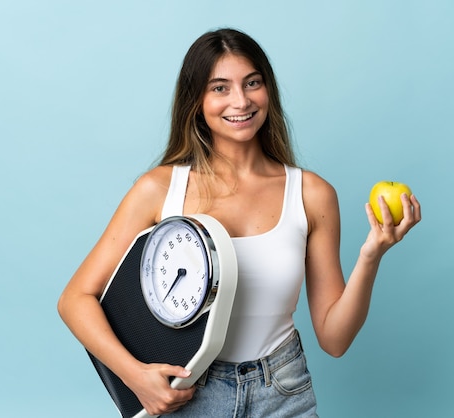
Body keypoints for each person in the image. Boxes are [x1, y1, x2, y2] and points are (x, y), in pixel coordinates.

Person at [58, 28, 421, 417]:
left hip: (284, 389)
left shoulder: (312, 195)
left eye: (252, 83)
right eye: (220, 88)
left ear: (268, 90)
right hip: (190, 394)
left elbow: (334, 339)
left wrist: (371, 256)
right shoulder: (160, 189)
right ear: (196, 101)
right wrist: (134, 375)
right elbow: (75, 300)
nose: (241, 101)